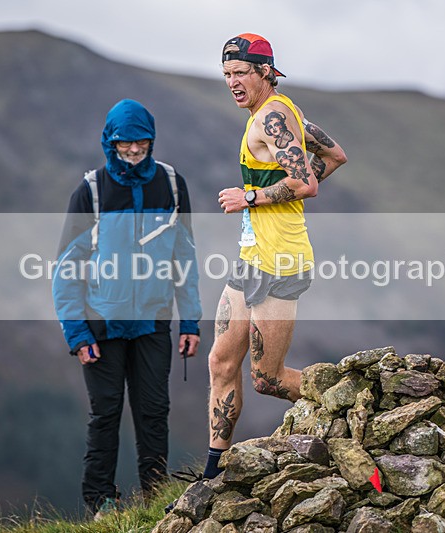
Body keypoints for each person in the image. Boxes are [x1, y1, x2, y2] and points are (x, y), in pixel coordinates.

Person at [205, 33, 347, 478]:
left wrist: (249, 197)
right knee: (221, 362)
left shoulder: (272, 118)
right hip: (251, 257)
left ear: (265, 72)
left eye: (240, 72)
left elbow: (306, 183)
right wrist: (268, 199)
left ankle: (347, 398)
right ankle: (213, 473)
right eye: (226, 73)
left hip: (280, 261)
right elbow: (334, 155)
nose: (232, 81)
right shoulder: (278, 114)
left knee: (267, 379)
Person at [52, 99, 201, 520]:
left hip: (153, 322)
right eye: (124, 143)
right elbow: (66, 268)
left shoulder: (172, 184)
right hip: (101, 325)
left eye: (141, 142)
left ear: (152, 140)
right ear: (109, 142)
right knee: (105, 414)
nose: (134, 150)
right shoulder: (91, 191)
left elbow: (185, 256)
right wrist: (77, 333)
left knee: (154, 412)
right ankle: (101, 501)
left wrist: (190, 320)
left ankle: (155, 498)